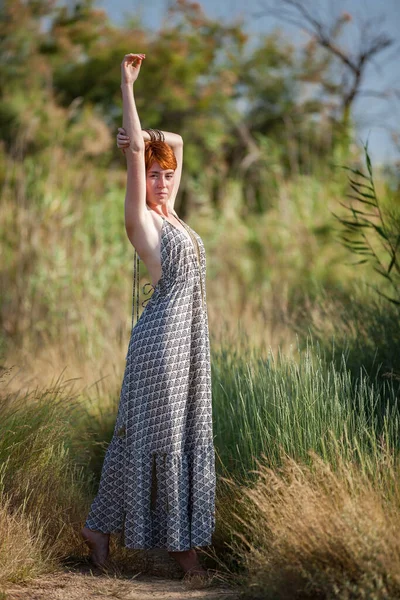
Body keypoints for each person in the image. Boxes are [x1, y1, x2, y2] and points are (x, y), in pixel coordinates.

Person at [81, 53, 216, 578]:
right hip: (161, 344)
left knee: (154, 439)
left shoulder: (174, 214)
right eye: (153, 175)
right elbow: (141, 151)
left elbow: (174, 144)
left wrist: (154, 138)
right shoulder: (142, 222)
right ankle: (186, 557)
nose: (161, 180)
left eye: (166, 176)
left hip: (187, 342)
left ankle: (97, 529)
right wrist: (127, 89)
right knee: (159, 442)